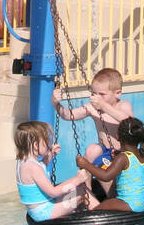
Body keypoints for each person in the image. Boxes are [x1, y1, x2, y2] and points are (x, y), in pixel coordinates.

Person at [76, 117, 144, 225]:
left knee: (96, 213)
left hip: (130, 203)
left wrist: (85, 164)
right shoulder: (140, 154)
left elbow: (105, 176)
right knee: (112, 196)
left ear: (118, 136)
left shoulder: (123, 158)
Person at [52, 67, 134, 199]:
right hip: (104, 150)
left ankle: (112, 198)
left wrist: (104, 106)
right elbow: (68, 115)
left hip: (121, 154)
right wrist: (56, 104)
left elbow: (130, 122)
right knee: (91, 151)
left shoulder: (123, 106)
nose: (96, 98)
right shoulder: (92, 108)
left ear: (117, 93)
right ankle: (87, 193)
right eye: (94, 94)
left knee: (103, 166)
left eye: (102, 94)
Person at [15, 120, 94, 222]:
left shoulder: (23, 162)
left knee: (79, 189)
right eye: (46, 141)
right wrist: (77, 179)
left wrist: (50, 154)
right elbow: (53, 192)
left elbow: (41, 167)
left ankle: (78, 214)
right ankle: (98, 216)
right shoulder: (33, 168)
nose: (49, 144)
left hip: (38, 210)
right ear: (35, 145)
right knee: (83, 193)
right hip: (45, 212)